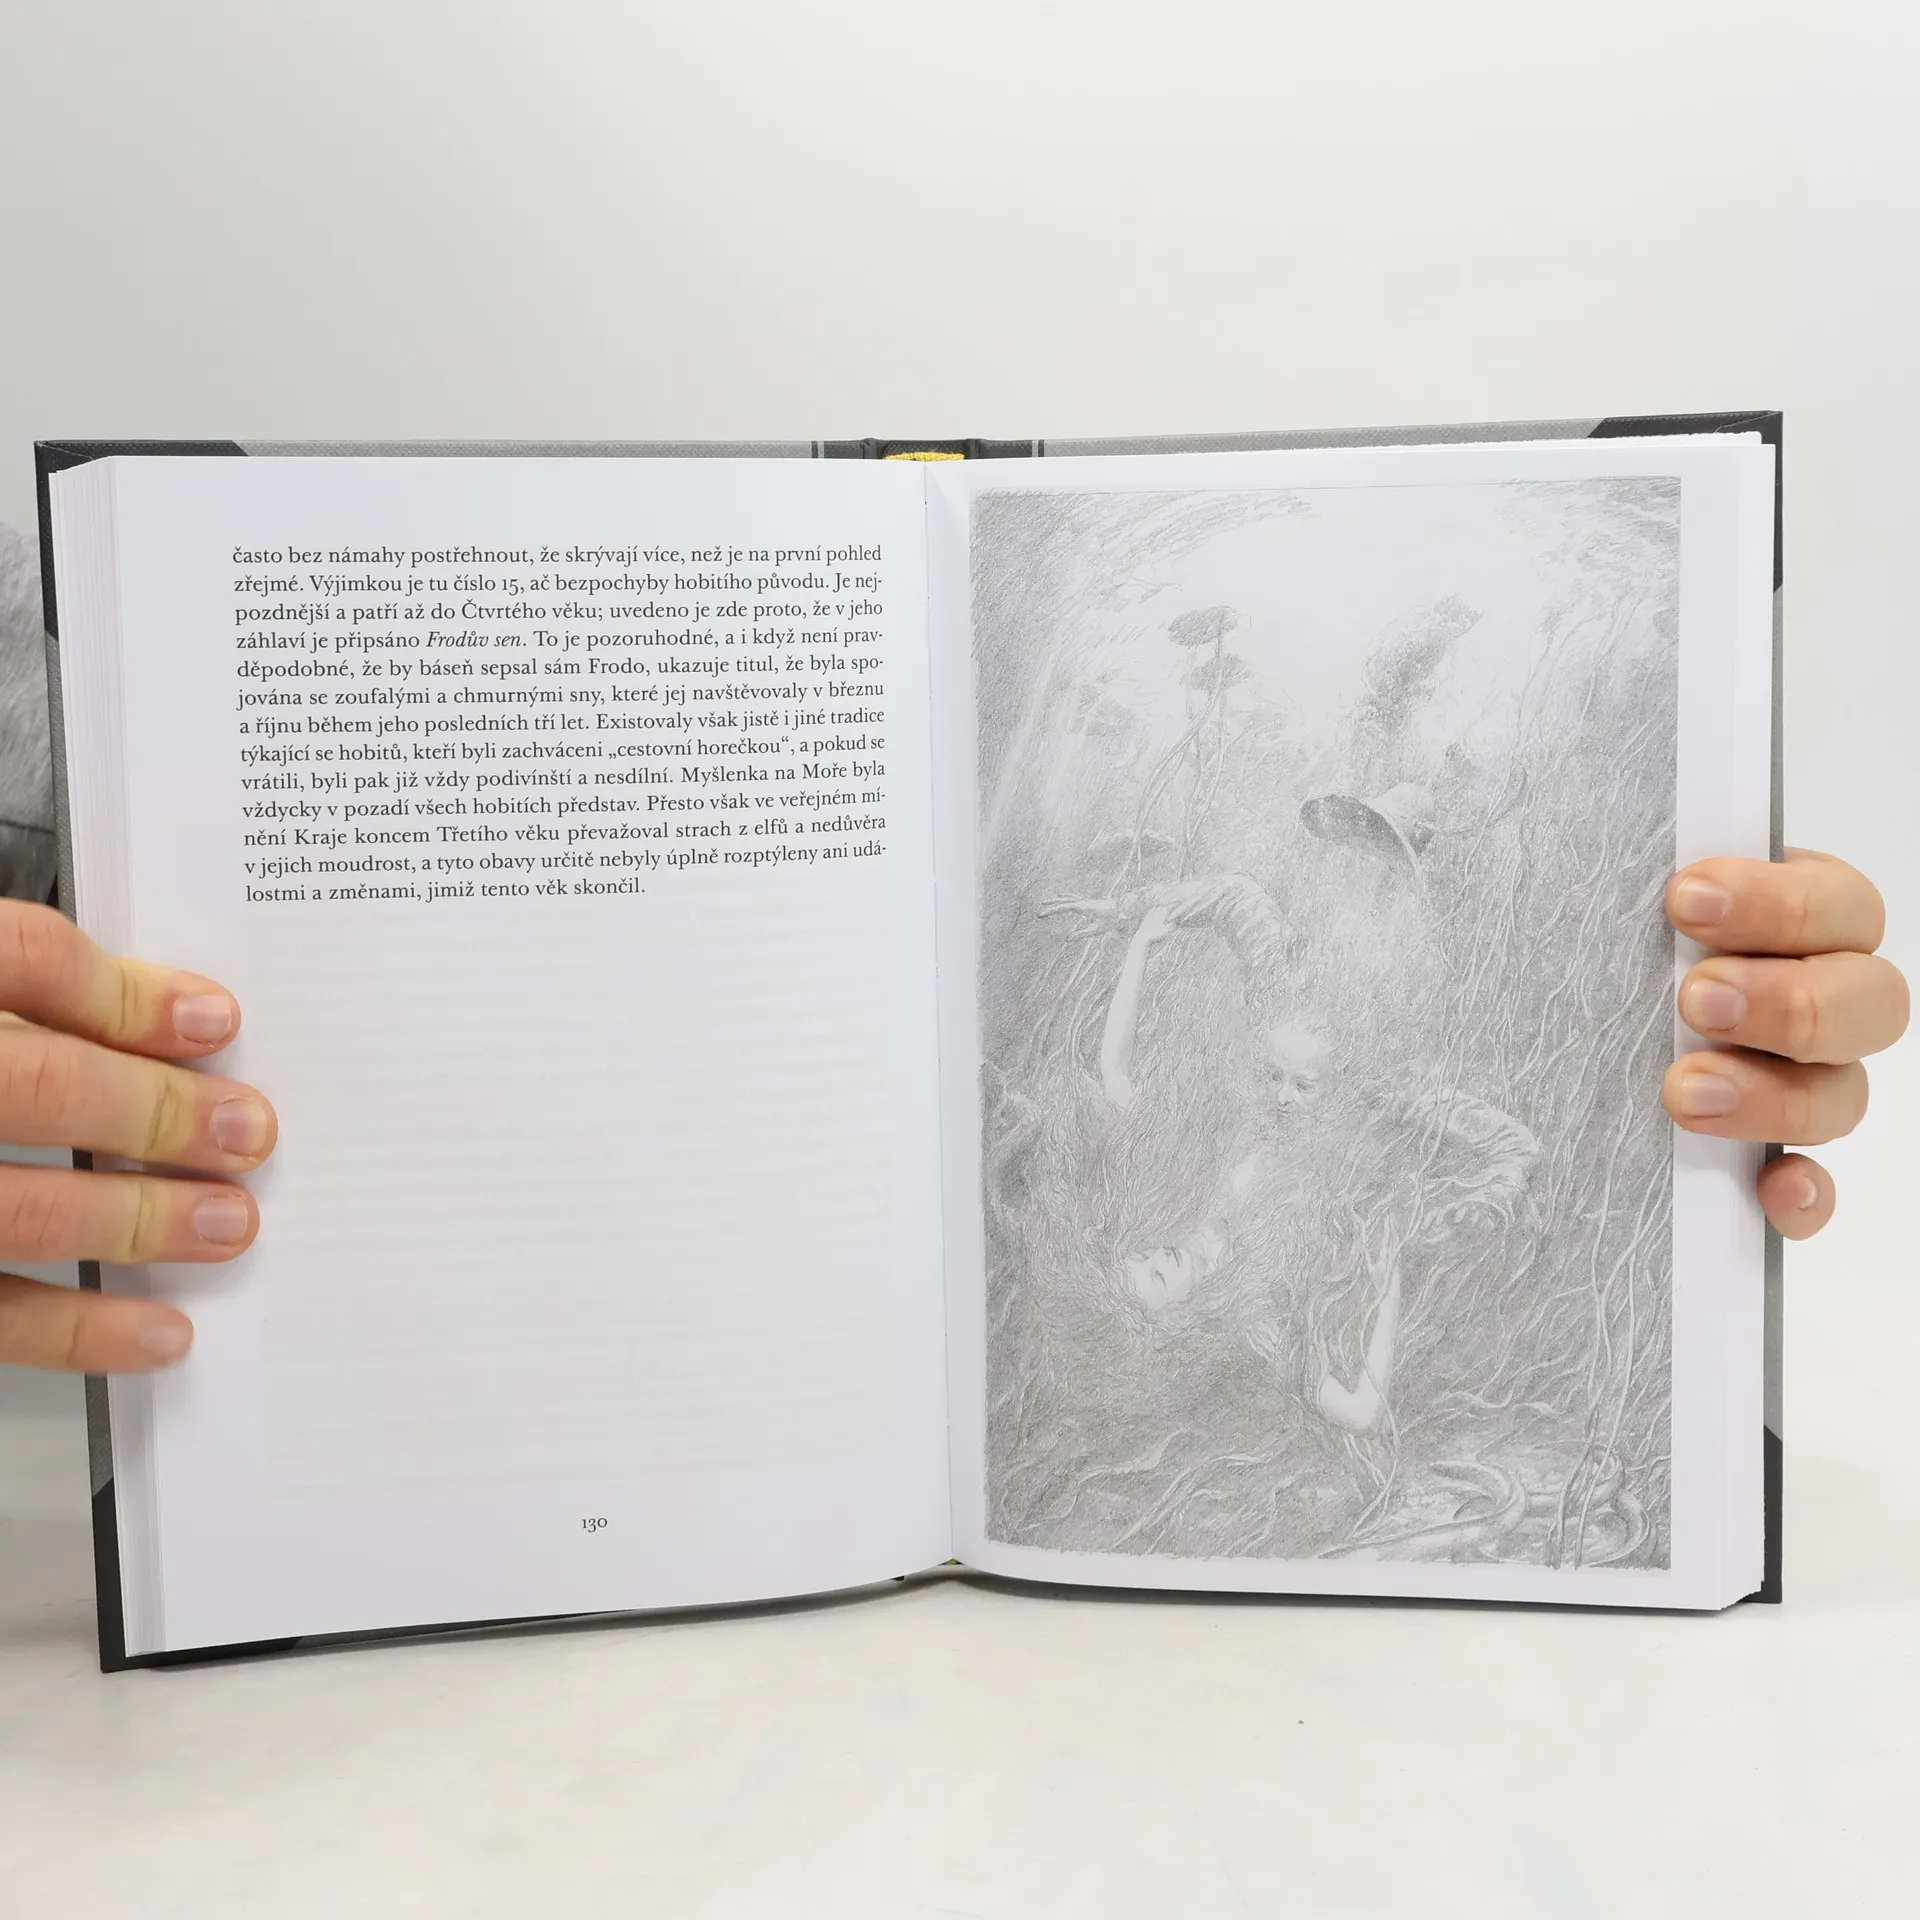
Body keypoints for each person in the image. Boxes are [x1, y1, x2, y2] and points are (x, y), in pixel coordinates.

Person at [1044, 874, 1542, 1430]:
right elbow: (1361, 1412)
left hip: (1323, 1018)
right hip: (1367, 1081)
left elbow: (1116, 1074)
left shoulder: (1181, 1185)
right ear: (1177, 1322)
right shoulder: (1252, 1316)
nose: (1159, 1256)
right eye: (1159, 1278)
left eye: (1143, 1258)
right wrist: (1391, 1275)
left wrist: (1134, 928)